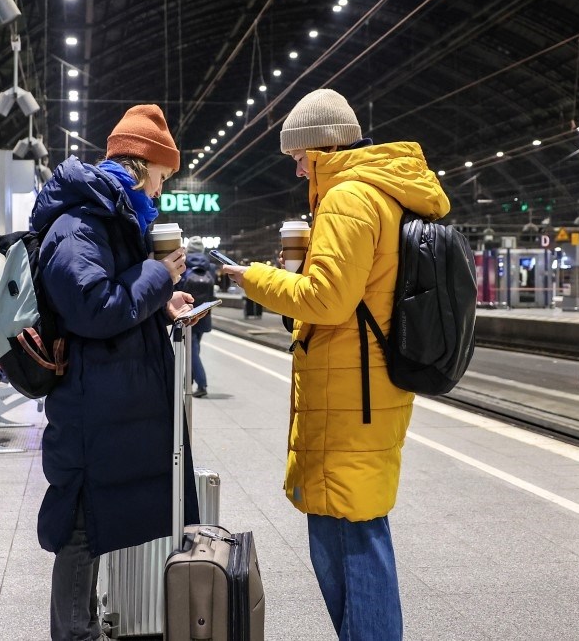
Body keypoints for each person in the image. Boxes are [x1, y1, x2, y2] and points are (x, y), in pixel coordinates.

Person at [220, 89, 449, 640]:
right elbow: (347, 298)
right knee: (353, 531)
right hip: (362, 389)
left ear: (322, 148)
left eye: (299, 158)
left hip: (354, 399)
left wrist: (255, 278)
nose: (298, 171)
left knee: (350, 540)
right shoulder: (379, 194)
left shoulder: (349, 198)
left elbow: (328, 300)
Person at [30, 104, 202, 641]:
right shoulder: (78, 223)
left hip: (108, 404)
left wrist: (161, 301)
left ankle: (83, 628)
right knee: (79, 527)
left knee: (95, 520)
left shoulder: (109, 218)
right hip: (90, 409)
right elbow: (94, 308)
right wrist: (156, 274)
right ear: (141, 164)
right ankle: (73, 634)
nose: (159, 192)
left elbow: (117, 298)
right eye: (161, 178)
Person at [177, 236, 216, 397]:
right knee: (195, 348)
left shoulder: (183, 264)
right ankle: (189, 380)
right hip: (205, 312)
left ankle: (202, 384)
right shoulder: (210, 267)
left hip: (188, 311)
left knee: (192, 351)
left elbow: (177, 286)